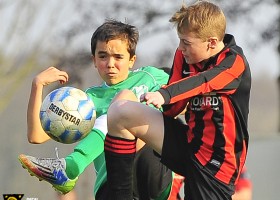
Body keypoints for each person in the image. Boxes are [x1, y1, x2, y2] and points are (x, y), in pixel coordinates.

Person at [104, 1, 251, 200]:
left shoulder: (234, 62)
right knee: (121, 111)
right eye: (180, 41)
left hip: (216, 165)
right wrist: (151, 103)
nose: (181, 48)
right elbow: (174, 109)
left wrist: (164, 94)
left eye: (187, 43)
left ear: (212, 43)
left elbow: (204, 81)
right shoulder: (184, 56)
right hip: (188, 144)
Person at [18, 19, 178, 200]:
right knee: (119, 107)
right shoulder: (85, 102)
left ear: (132, 60)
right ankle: (69, 169)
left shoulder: (151, 76)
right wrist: (37, 85)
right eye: (103, 56)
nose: (110, 63)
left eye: (118, 57)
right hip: (111, 185)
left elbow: (185, 89)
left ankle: (71, 167)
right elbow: (36, 136)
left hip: (151, 172)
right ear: (94, 60)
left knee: (123, 102)